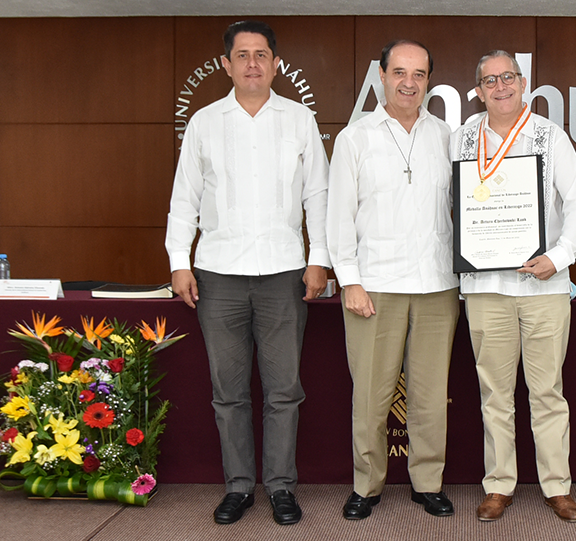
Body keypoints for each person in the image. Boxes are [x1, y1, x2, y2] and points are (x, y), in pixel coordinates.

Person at [165, 20, 329, 526]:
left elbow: (317, 195)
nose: (253, 63)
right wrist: (179, 261)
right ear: (226, 64)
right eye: (243, 55)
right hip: (218, 275)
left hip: (284, 273)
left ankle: (280, 486)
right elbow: (184, 198)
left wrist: (318, 257)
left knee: (283, 390)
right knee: (229, 391)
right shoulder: (204, 122)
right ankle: (238, 486)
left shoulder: (299, 119)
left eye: (262, 54)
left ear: (276, 63)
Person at [452, 50, 576, 523]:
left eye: (507, 77)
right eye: (489, 80)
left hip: (545, 289)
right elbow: (452, 208)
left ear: (523, 80)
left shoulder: (551, 137)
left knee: (547, 391)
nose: (500, 86)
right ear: (479, 90)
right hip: (486, 288)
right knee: (495, 394)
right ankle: (499, 486)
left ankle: (557, 485)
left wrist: (558, 257)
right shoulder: (462, 139)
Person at [327, 39, 460, 521]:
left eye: (419, 74)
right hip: (374, 286)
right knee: (371, 396)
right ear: (381, 76)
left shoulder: (447, 135)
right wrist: (350, 280)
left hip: (437, 284)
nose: (409, 82)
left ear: (429, 80)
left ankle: (428, 483)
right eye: (399, 72)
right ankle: (367, 485)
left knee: (430, 396)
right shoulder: (354, 138)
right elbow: (338, 216)